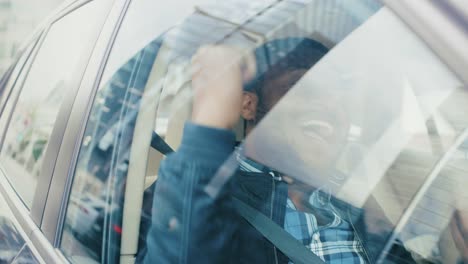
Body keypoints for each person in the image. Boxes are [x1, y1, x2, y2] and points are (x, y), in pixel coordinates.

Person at [143, 38, 381, 264]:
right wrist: (211, 121)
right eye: (303, 86)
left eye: (340, 98)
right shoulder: (196, 191)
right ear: (247, 105)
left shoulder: (352, 197)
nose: (331, 107)